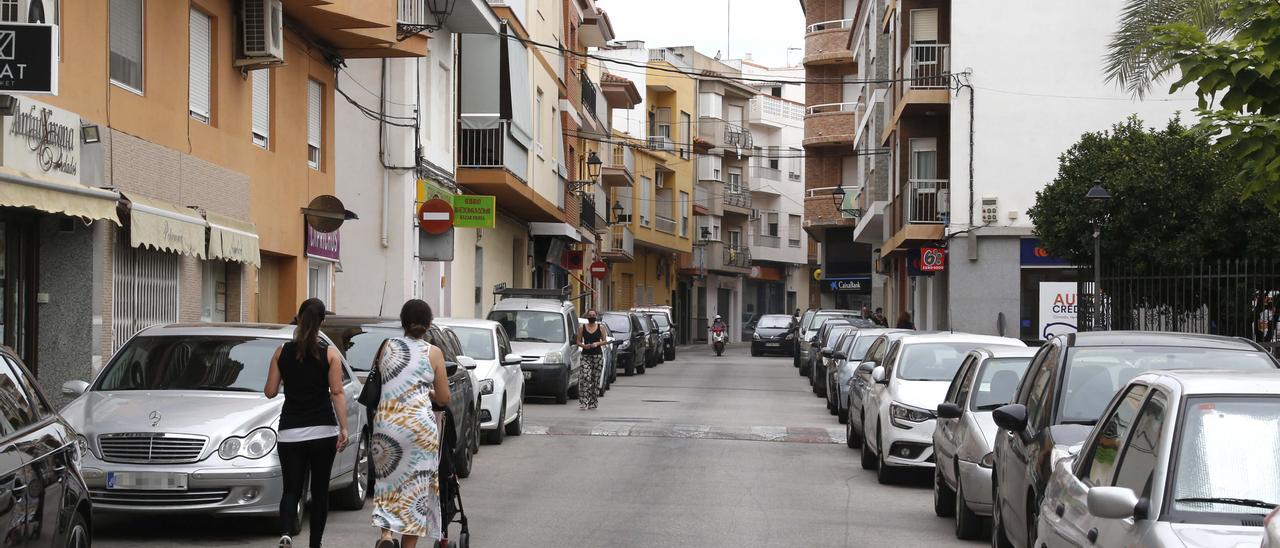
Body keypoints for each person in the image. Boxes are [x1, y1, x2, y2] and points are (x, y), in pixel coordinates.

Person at [265, 298, 350, 548]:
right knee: (320, 491)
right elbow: (337, 393)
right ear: (322, 322)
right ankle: (315, 544)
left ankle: (286, 534)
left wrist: (287, 378)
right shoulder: (330, 354)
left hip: (290, 432)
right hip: (323, 431)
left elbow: (270, 391)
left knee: (291, 489)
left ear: (298, 318)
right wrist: (343, 427)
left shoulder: (282, 351)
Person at [371, 300, 451, 548]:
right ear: (429, 324)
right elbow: (444, 397)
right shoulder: (433, 353)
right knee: (415, 489)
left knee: (387, 483)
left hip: (387, 424)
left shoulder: (386, 346)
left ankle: (386, 535)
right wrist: (427, 394)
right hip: (419, 428)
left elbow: (382, 378)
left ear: (403, 322)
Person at [578, 309, 606, 410]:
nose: (592, 317)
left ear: (596, 316)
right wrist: (584, 346)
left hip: (597, 356)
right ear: (587, 317)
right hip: (585, 355)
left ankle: (593, 402)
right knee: (585, 377)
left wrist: (597, 344)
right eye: (590, 315)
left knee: (595, 380)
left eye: (593, 315)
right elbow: (578, 341)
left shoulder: (600, 327)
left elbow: (605, 341)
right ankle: (584, 401)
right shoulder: (582, 328)